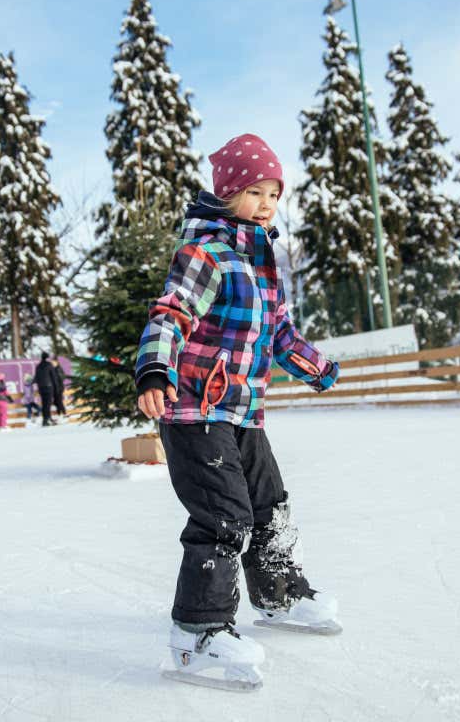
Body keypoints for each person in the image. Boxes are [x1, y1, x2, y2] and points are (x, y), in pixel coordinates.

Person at [134, 133, 341, 690]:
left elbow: (278, 333)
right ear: (227, 194)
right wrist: (155, 369)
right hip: (194, 411)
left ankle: (277, 596)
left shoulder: (262, 259)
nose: (268, 202)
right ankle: (196, 635)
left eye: (274, 192)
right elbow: (170, 313)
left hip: (243, 412)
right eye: (255, 191)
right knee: (223, 515)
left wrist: (316, 366)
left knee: (270, 503)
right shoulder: (206, 251)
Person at [33, 352, 58, 427]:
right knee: (48, 403)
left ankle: (47, 419)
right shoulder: (49, 365)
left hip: (41, 387)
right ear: (47, 357)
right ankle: (46, 419)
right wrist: (56, 387)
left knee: (44, 404)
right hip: (49, 387)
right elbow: (53, 376)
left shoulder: (38, 366)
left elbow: (36, 377)